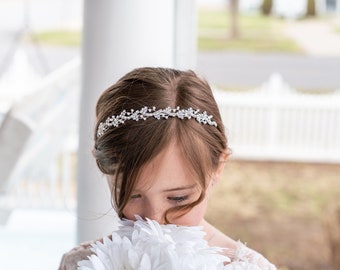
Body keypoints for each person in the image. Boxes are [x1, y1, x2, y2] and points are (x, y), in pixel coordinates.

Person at [58, 67, 277, 270]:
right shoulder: (81, 263)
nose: (154, 219)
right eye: (132, 195)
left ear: (218, 167)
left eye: (178, 198)